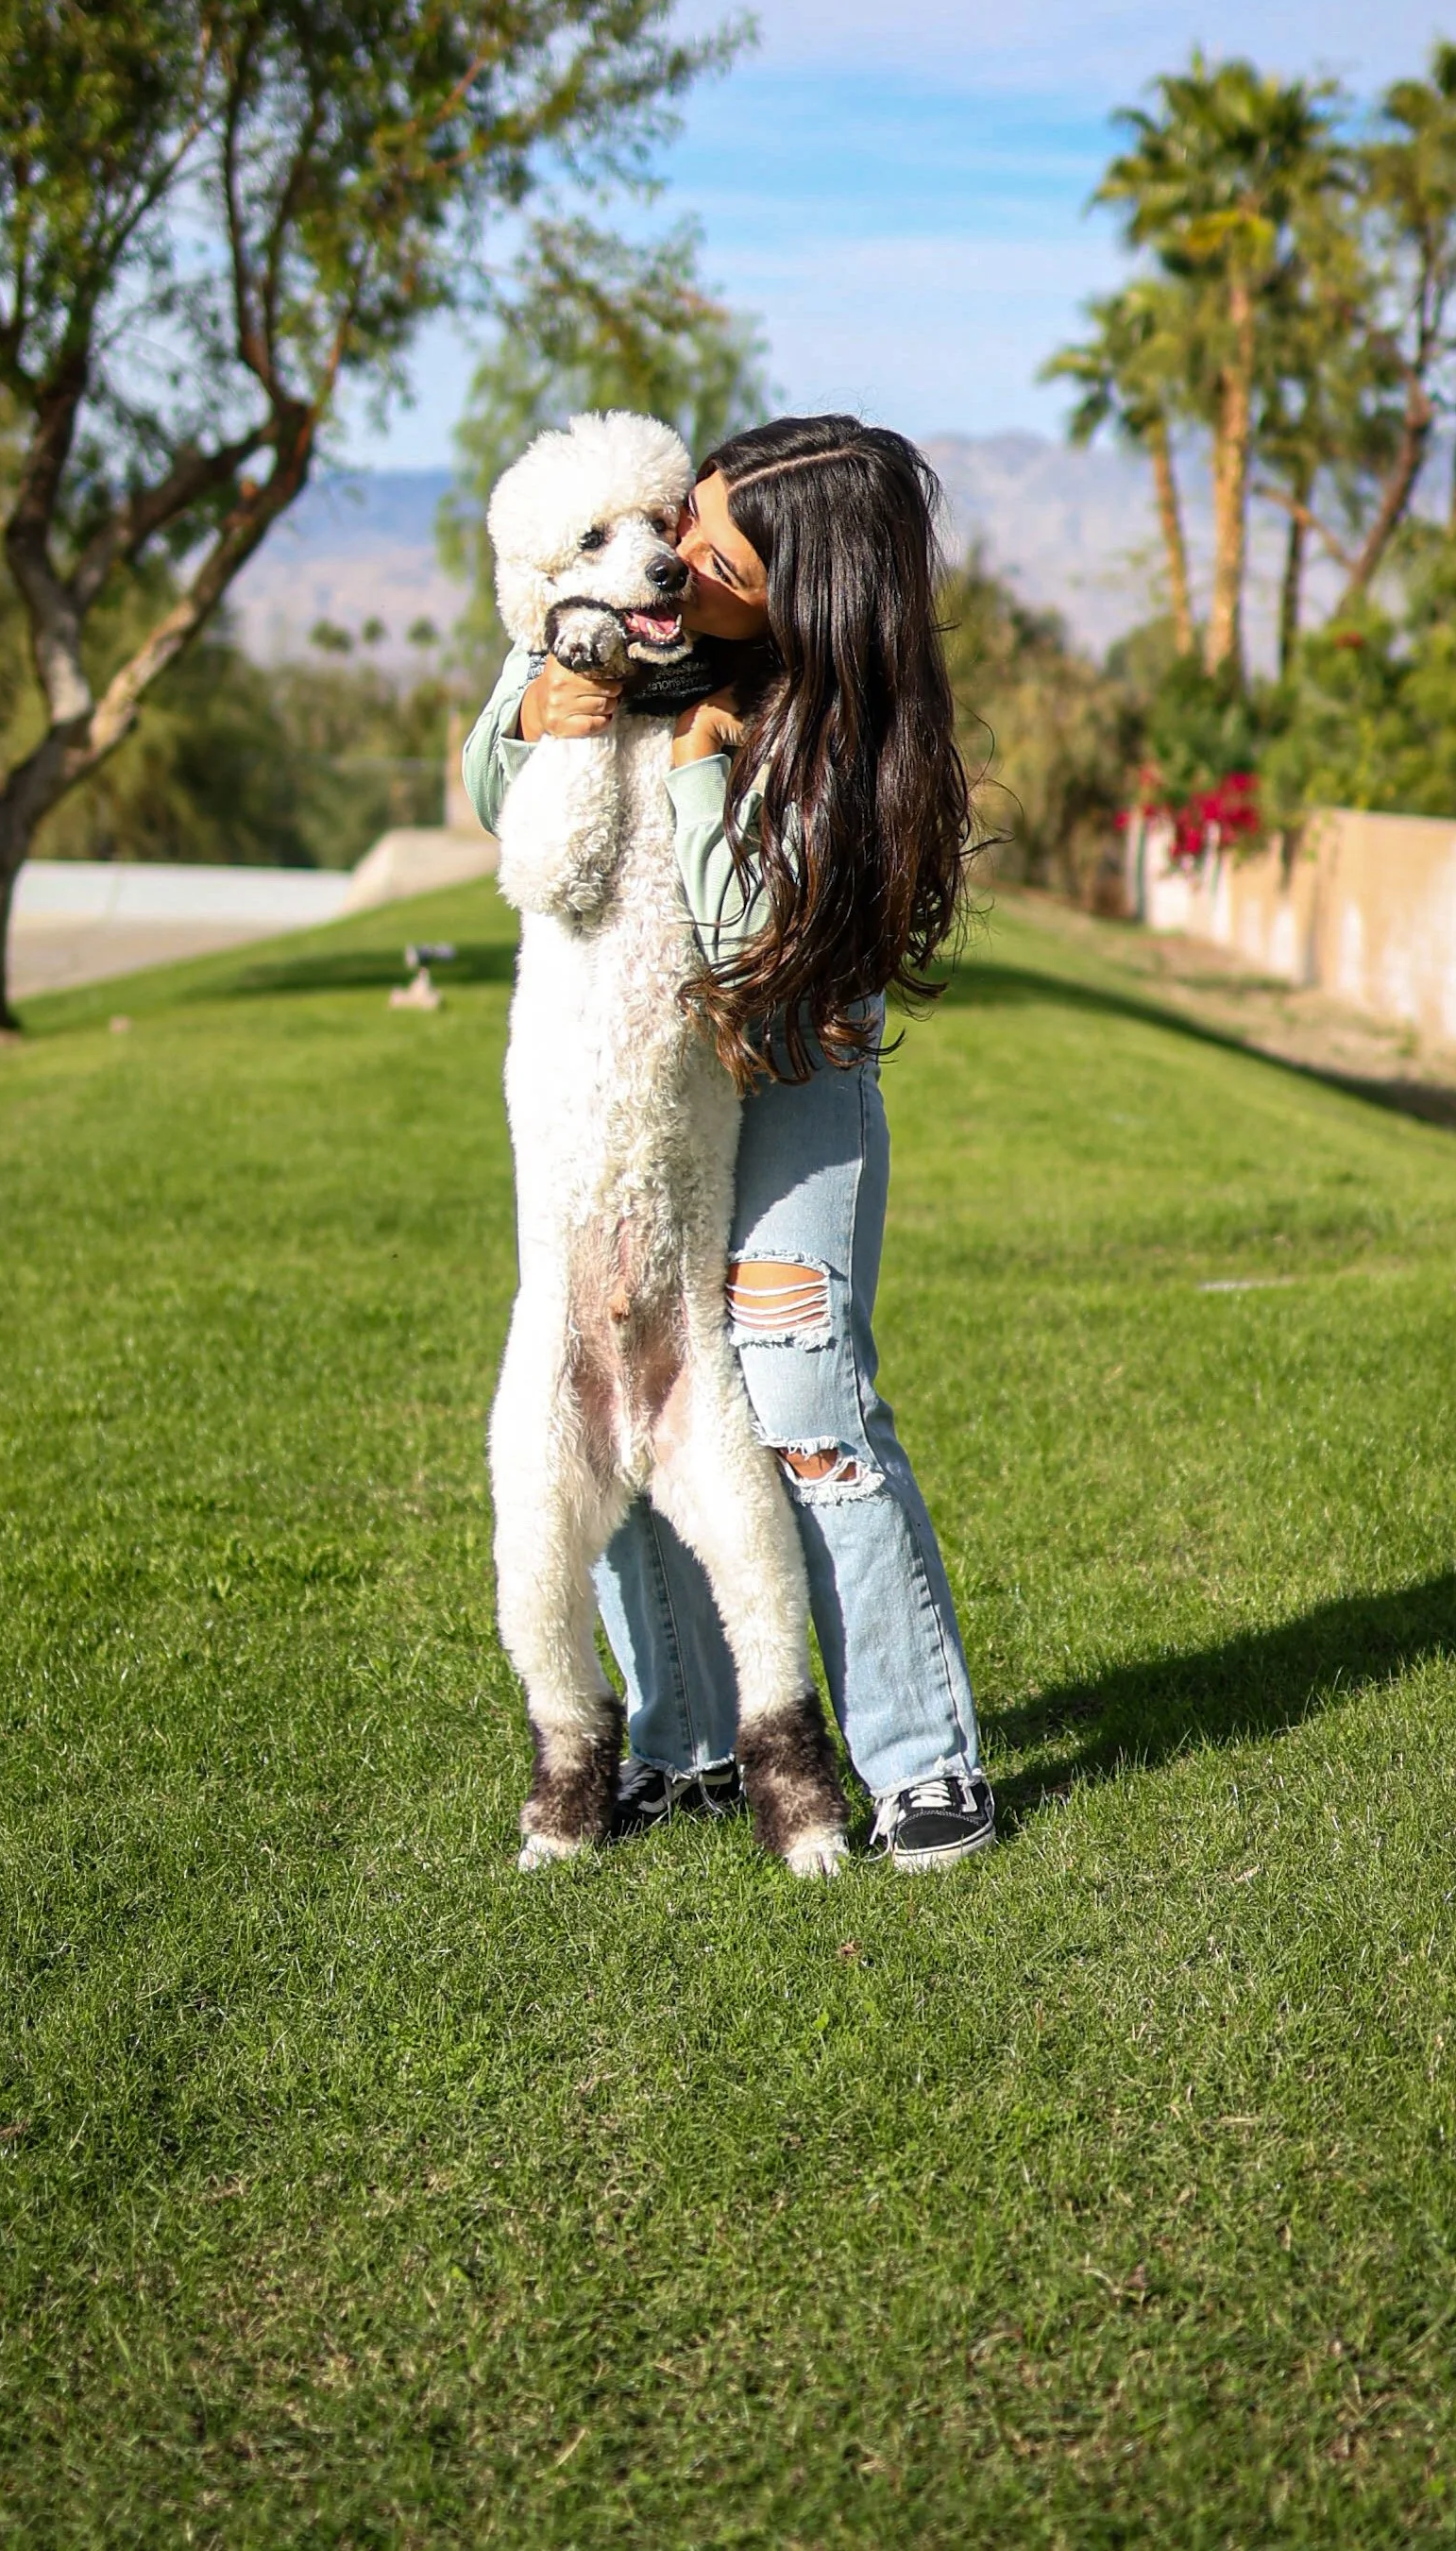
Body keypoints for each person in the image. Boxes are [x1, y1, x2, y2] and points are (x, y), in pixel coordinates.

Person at [463, 415, 995, 1869]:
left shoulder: (838, 738)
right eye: (680, 521)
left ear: (804, 587)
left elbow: (751, 943)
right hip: (655, 1063)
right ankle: (681, 1743)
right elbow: (500, 782)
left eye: (713, 548)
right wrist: (531, 716)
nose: (676, 561)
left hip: (784, 1044)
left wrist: (698, 763)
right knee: (612, 1351)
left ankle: (916, 1760)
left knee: (798, 1387)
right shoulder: (632, 626)